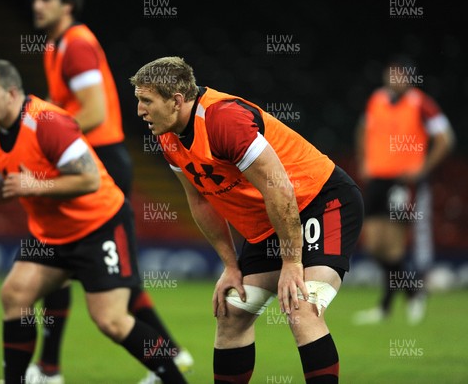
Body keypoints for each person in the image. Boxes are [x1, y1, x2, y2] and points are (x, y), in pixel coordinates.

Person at [130, 56, 364, 383]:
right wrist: (230, 265)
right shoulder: (167, 136)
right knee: (232, 312)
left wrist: (292, 262)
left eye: (146, 101)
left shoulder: (223, 119)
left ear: (177, 100)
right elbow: (200, 198)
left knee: (301, 305)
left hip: (320, 201)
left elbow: (278, 186)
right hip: (271, 220)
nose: (140, 110)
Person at [0, 59, 187, 384]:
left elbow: (88, 180)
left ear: (12, 93)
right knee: (15, 294)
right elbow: (16, 186)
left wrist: (34, 185)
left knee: (111, 320)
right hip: (51, 236)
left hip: (99, 226)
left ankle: (174, 378)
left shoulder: (47, 122)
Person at [30, 0, 192, 383]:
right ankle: (167, 353)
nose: (37, 5)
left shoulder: (78, 45)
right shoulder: (58, 45)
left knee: (63, 260)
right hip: (91, 160)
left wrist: (47, 141)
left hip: (97, 162)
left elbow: (94, 111)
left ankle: (49, 368)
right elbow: (60, 106)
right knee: (103, 270)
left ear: (68, 5)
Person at [352, 55, 455, 325]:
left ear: (409, 78)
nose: (393, 79)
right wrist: (364, 161)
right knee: (374, 245)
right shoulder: (377, 100)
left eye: (399, 75)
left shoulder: (420, 103)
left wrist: (423, 169)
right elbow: (362, 129)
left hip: (402, 182)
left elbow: (446, 139)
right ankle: (413, 292)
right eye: (390, 74)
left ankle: (385, 307)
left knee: (394, 247)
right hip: (377, 180)